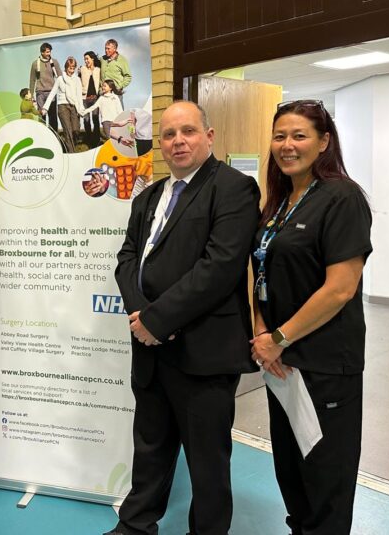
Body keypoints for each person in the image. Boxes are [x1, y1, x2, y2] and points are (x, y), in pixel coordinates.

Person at [108, 101, 260, 535]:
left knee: (207, 461)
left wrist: (157, 320)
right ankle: (136, 525)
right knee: (150, 446)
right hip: (150, 349)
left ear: (209, 137)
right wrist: (142, 313)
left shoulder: (233, 188)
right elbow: (128, 258)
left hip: (203, 353)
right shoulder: (151, 195)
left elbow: (219, 267)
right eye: (170, 135)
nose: (178, 141)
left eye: (188, 131)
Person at [250, 100, 372, 535]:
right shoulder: (281, 202)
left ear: (324, 142)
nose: (287, 145)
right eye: (280, 136)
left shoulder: (342, 198)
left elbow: (340, 288)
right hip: (280, 363)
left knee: (325, 480)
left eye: (299, 135)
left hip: (322, 365)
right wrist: (261, 332)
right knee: (292, 474)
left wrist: (278, 337)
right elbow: (259, 270)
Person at [41, 56, 86, 153]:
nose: (72, 70)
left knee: (76, 130)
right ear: (66, 67)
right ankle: (72, 153)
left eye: (74, 68)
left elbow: (79, 96)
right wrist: (45, 107)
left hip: (74, 106)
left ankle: (72, 146)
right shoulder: (60, 79)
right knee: (68, 131)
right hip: (62, 107)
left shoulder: (77, 80)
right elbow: (52, 93)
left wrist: (81, 109)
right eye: (70, 68)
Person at [29, 42, 62, 132]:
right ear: (42, 52)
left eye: (50, 52)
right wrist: (31, 96)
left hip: (52, 92)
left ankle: (55, 136)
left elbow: (60, 77)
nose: (49, 54)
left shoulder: (54, 62)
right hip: (40, 93)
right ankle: (43, 135)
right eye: (47, 52)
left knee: (53, 117)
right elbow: (32, 80)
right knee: (41, 116)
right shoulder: (35, 64)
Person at [79, 50, 102, 146]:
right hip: (85, 98)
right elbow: (78, 81)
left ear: (92, 58)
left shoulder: (98, 70)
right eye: (84, 59)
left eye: (87, 58)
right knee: (86, 119)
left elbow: (101, 82)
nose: (86, 61)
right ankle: (88, 138)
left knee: (95, 118)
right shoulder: (82, 69)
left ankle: (96, 138)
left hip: (95, 98)